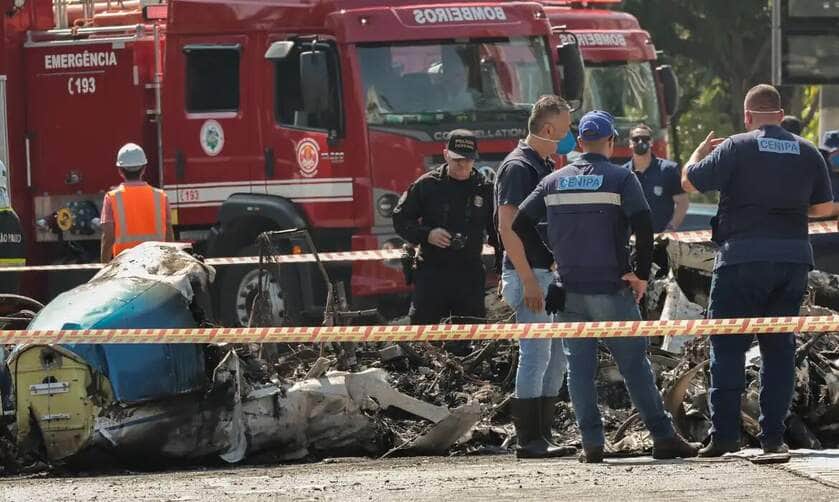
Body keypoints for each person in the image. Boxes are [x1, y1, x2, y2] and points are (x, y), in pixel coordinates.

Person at [511, 110, 698, 463]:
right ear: (611, 142)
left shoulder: (554, 180)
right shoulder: (620, 179)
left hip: (568, 292)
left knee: (578, 370)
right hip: (612, 289)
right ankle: (662, 437)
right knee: (634, 367)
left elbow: (519, 222)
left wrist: (550, 258)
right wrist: (641, 274)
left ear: (579, 142)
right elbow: (645, 227)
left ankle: (592, 444)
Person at [681, 84, 834, 459]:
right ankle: (772, 439)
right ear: (781, 116)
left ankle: (725, 437)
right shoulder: (807, 149)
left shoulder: (736, 146)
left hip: (741, 260)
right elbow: (824, 207)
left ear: (748, 117)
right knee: (778, 350)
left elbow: (690, 181)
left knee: (728, 346)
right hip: (792, 260)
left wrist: (698, 154)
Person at [495, 95, 577, 458]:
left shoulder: (541, 163)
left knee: (555, 356)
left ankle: (543, 433)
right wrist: (528, 279)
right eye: (565, 129)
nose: (569, 135)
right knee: (536, 354)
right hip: (531, 275)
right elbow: (507, 228)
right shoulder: (519, 167)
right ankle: (529, 439)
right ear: (547, 129)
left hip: (546, 274)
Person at [392, 130, 498, 325]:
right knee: (422, 336)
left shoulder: (485, 188)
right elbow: (400, 219)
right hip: (432, 271)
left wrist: (504, 267)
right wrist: (427, 234)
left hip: (469, 273)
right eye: (457, 159)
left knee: (471, 339)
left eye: (468, 159)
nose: (462, 164)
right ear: (445, 154)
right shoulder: (427, 185)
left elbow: (498, 232)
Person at [100, 143, 173, 263]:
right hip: (155, 265)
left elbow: (108, 238)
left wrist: (104, 269)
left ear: (120, 171)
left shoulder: (111, 198)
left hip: (125, 267)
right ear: (144, 169)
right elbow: (169, 236)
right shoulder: (161, 196)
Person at [623, 124, 689, 233]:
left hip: (660, 242)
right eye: (636, 139)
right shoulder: (623, 173)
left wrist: (670, 228)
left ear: (651, 142)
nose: (640, 142)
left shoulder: (668, 170)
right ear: (630, 143)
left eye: (645, 139)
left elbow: (683, 202)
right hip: (631, 242)